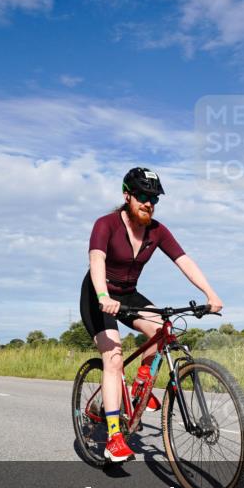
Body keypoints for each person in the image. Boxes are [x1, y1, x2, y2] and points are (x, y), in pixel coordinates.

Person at [80, 167, 223, 462]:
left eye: (154, 198)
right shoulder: (106, 224)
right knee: (114, 357)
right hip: (99, 294)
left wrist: (211, 294)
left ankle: (139, 388)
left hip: (128, 293)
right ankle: (114, 438)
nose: (149, 203)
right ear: (127, 195)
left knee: (163, 329)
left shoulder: (157, 230)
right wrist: (104, 296)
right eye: (143, 196)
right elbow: (96, 260)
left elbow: (184, 261)